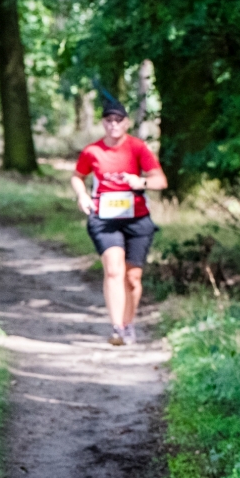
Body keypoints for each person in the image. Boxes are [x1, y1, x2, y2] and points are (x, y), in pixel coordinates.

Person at [71, 99, 168, 346]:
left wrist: (141, 182)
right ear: (103, 123)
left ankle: (128, 323)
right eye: (109, 120)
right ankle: (117, 329)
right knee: (114, 270)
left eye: (118, 120)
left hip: (137, 219)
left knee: (132, 278)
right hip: (104, 219)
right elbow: (77, 176)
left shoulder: (137, 148)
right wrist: (82, 195)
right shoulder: (92, 151)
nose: (113, 124)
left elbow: (160, 181)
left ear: (126, 123)